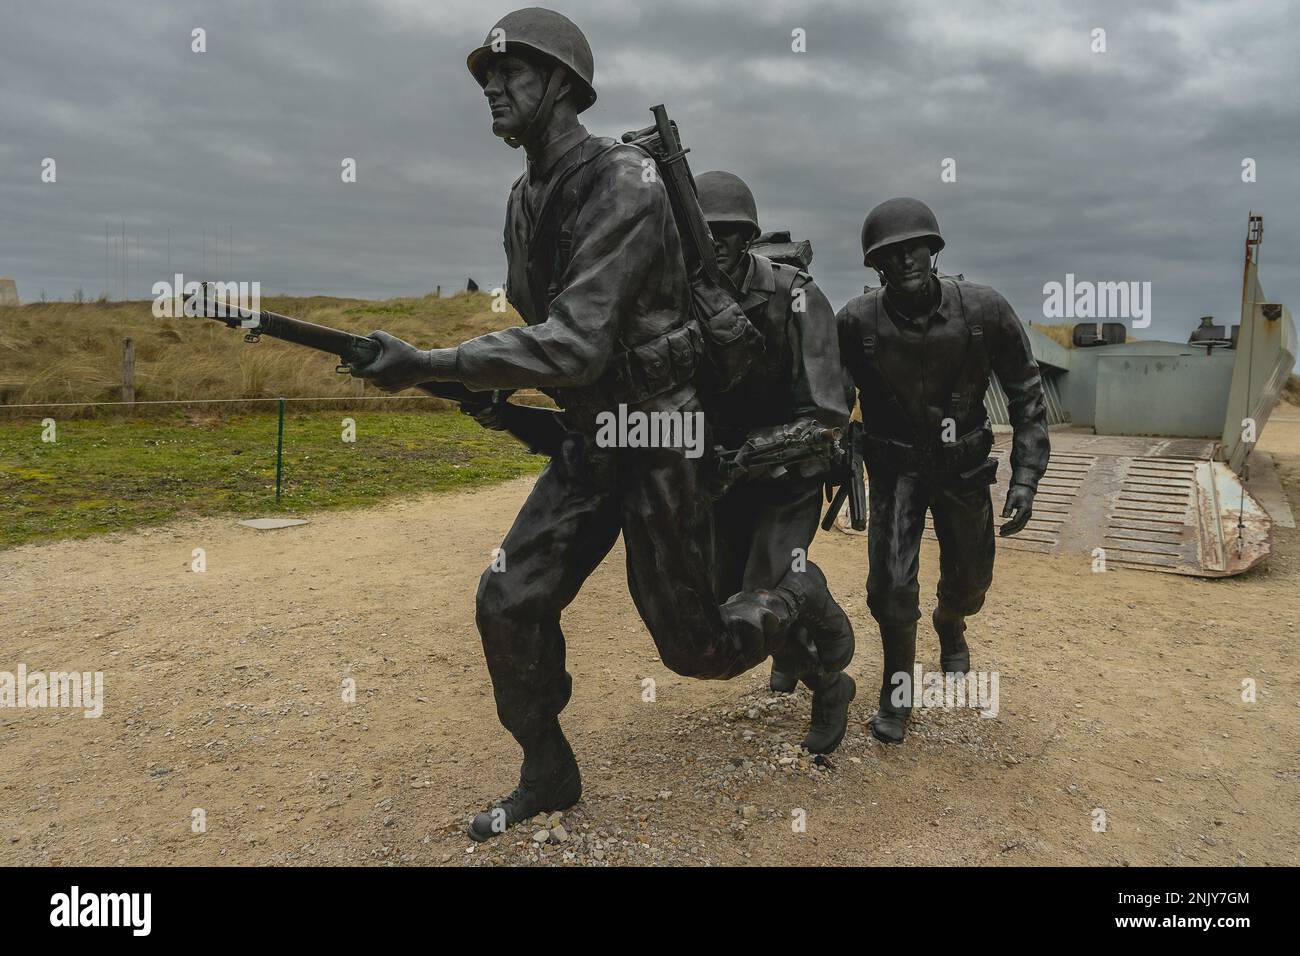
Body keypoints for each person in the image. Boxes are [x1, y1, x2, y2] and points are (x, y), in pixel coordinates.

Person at [350, 8, 849, 840]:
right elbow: (549, 333)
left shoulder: (626, 181)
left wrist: (435, 362)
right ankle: (547, 769)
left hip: (659, 434)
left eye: (508, 74)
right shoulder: (522, 199)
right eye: (484, 77)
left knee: (694, 650)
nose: (492, 89)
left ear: (561, 85)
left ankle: (796, 598)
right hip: (594, 436)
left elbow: (576, 341)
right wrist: (491, 392)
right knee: (508, 600)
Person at [836, 198, 1049, 743]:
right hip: (896, 472)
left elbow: (1027, 397)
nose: (905, 261)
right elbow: (828, 400)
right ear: (876, 266)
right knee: (889, 589)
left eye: (915, 249)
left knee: (971, 582)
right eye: (891, 255)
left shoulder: (984, 311)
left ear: (933, 250)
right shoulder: (856, 321)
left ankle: (951, 622)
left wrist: (1025, 478)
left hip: (964, 469)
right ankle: (898, 690)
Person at [696, 170, 857, 753]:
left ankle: (829, 679)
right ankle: (798, 626)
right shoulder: (682, 302)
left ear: (747, 236)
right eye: (699, 233)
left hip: (789, 477)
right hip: (720, 482)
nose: (709, 245)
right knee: (722, 600)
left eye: (723, 232)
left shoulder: (798, 295)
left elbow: (826, 416)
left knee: (760, 596)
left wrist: (744, 456)